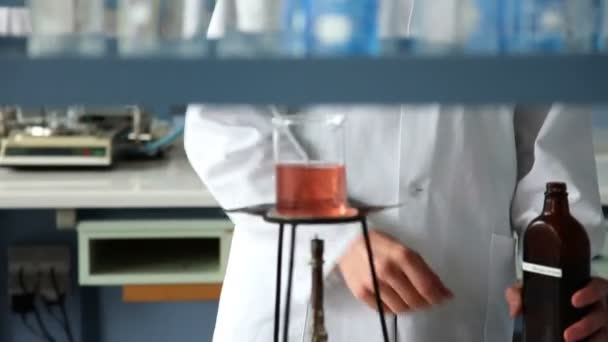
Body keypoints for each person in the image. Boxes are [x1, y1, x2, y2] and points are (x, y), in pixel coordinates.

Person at [184, 2, 608, 342]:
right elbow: (225, 125)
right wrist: (338, 239)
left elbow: (552, 165)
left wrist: (573, 287)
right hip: (303, 296)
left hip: (453, 301)